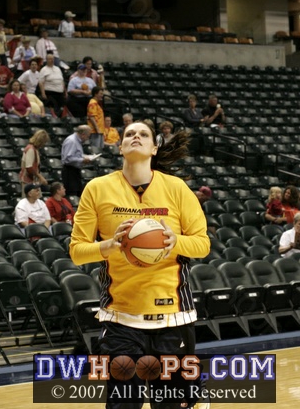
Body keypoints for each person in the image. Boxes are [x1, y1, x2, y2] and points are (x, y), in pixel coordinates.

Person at [69, 120, 209, 408]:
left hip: (173, 317)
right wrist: (109, 246)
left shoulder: (177, 188)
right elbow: (77, 252)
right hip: (120, 318)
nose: (136, 137)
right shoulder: (97, 188)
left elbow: (202, 244)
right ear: (120, 147)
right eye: (129, 134)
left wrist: (174, 241)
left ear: (154, 148)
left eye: (143, 134)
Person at [61, 125, 92, 197]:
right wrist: (82, 160)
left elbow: (76, 154)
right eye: (88, 136)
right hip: (69, 172)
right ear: (83, 134)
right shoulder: (72, 141)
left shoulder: (77, 141)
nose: (87, 138)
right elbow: (68, 159)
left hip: (75, 171)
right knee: (72, 193)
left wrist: (85, 157)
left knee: (78, 193)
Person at [20, 129, 50, 194]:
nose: (44, 145)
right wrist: (40, 177)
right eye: (44, 142)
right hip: (28, 182)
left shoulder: (34, 149)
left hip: (33, 181)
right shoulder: (31, 149)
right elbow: (29, 167)